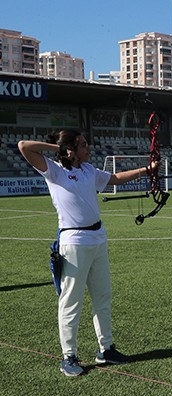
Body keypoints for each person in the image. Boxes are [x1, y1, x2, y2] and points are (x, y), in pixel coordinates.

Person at [18, 130, 154, 377]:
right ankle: (68, 356)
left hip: (98, 238)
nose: (88, 148)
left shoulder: (89, 170)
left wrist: (146, 170)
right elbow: (24, 146)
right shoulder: (54, 170)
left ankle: (106, 349)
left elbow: (114, 178)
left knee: (103, 296)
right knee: (71, 301)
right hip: (74, 241)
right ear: (69, 149)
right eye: (82, 145)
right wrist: (57, 150)